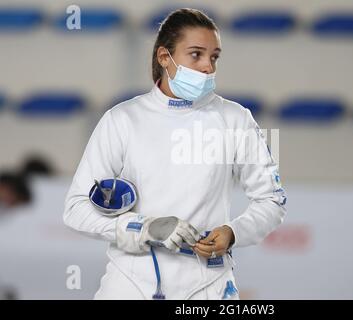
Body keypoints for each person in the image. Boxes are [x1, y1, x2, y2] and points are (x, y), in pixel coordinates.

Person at [63, 8, 287, 300]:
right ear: (164, 57)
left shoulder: (235, 119)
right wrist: (144, 227)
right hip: (129, 282)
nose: (208, 66)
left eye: (214, 56)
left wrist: (233, 232)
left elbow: (272, 200)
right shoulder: (123, 119)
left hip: (208, 284)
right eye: (196, 54)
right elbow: (76, 209)